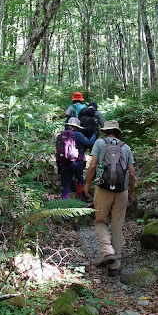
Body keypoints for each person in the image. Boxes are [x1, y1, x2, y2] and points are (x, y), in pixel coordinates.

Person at [83, 120, 136, 277]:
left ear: (105, 132)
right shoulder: (125, 147)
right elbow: (132, 174)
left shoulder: (99, 143)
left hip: (103, 188)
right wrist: (131, 194)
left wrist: (87, 185)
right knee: (117, 226)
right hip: (122, 190)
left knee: (100, 220)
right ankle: (115, 266)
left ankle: (107, 251)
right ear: (117, 132)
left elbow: (92, 166)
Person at [58, 117, 97, 199]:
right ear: (77, 127)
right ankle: (79, 196)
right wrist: (94, 134)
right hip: (77, 161)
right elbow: (89, 143)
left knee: (66, 184)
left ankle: (65, 201)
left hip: (64, 162)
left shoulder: (60, 135)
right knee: (79, 177)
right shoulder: (78, 134)